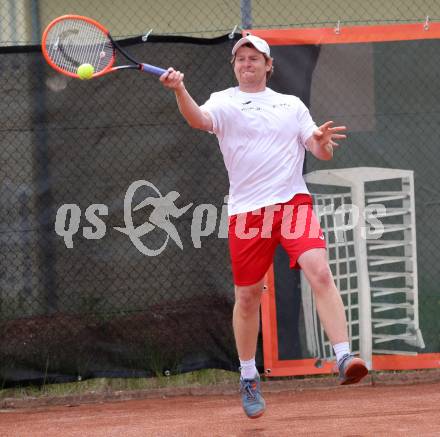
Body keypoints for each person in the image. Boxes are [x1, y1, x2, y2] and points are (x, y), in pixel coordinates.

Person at [159, 34, 368, 419]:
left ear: (269, 65)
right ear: (234, 66)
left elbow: (318, 148)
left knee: (319, 271)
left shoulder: (290, 105)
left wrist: (322, 142)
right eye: (241, 58)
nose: (247, 63)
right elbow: (198, 120)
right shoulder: (223, 101)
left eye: (255, 58)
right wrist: (179, 90)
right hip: (247, 213)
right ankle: (248, 375)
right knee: (248, 296)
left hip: (292, 204)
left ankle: (344, 357)